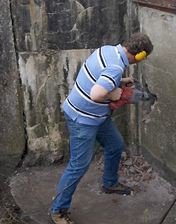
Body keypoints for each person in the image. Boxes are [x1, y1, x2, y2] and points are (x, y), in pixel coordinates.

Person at [50, 32, 153, 224]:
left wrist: (119, 82)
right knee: (78, 166)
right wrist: (113, 94)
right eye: (142, 58)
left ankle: (110, 183)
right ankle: (58, 211)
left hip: (96, 116)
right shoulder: (115, 67)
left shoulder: (107, 50)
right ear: (138, 56)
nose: (140, 62)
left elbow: (97, 73)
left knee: (115, 145)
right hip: (83, 119)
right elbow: (97, 94)